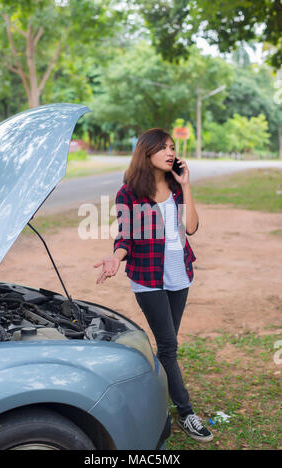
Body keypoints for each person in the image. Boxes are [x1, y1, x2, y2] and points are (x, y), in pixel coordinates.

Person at [94, 128, 213, 443]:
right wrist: (116, 257)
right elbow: (126, 236)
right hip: (147, 276)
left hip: (179, 273)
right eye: (163, 148)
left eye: (173, 147)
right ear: (146, 153)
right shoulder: (129, 193)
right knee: (170, 346)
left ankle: (155, 395)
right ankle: (186, 412)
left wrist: (186, 185)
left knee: (167, 346)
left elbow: (191, 228)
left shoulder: (176, 186)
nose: (171, 152)